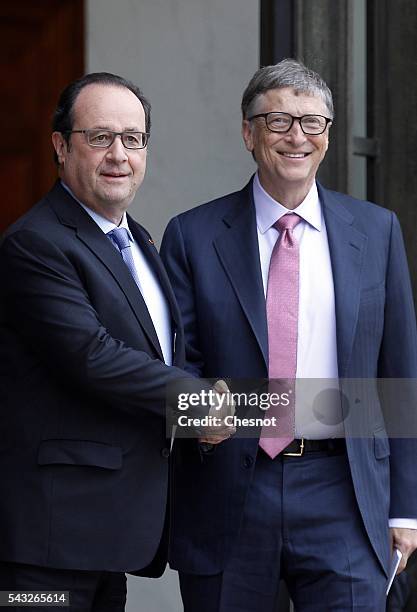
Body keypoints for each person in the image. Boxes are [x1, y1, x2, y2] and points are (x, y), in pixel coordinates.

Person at [160, 59, 417, 611]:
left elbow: (400, 374)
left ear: (327, 135)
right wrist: (199, 413)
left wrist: (406, 510)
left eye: (313, 122)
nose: (297, 137)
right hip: (229, 488)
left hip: (344, 490)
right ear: (248, 133)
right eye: (278, 122)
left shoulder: (376, 231)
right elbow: (177, 363)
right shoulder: (193, 234)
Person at [0, 72, 231, 611]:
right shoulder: (36, 243)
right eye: (100, 137)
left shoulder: (138, 240)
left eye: (133, 138)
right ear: (61, 146)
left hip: (109, 538)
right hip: (48, 545)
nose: (119, 155)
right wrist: (198, 399)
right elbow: (92, 355)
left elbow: (157, 355)